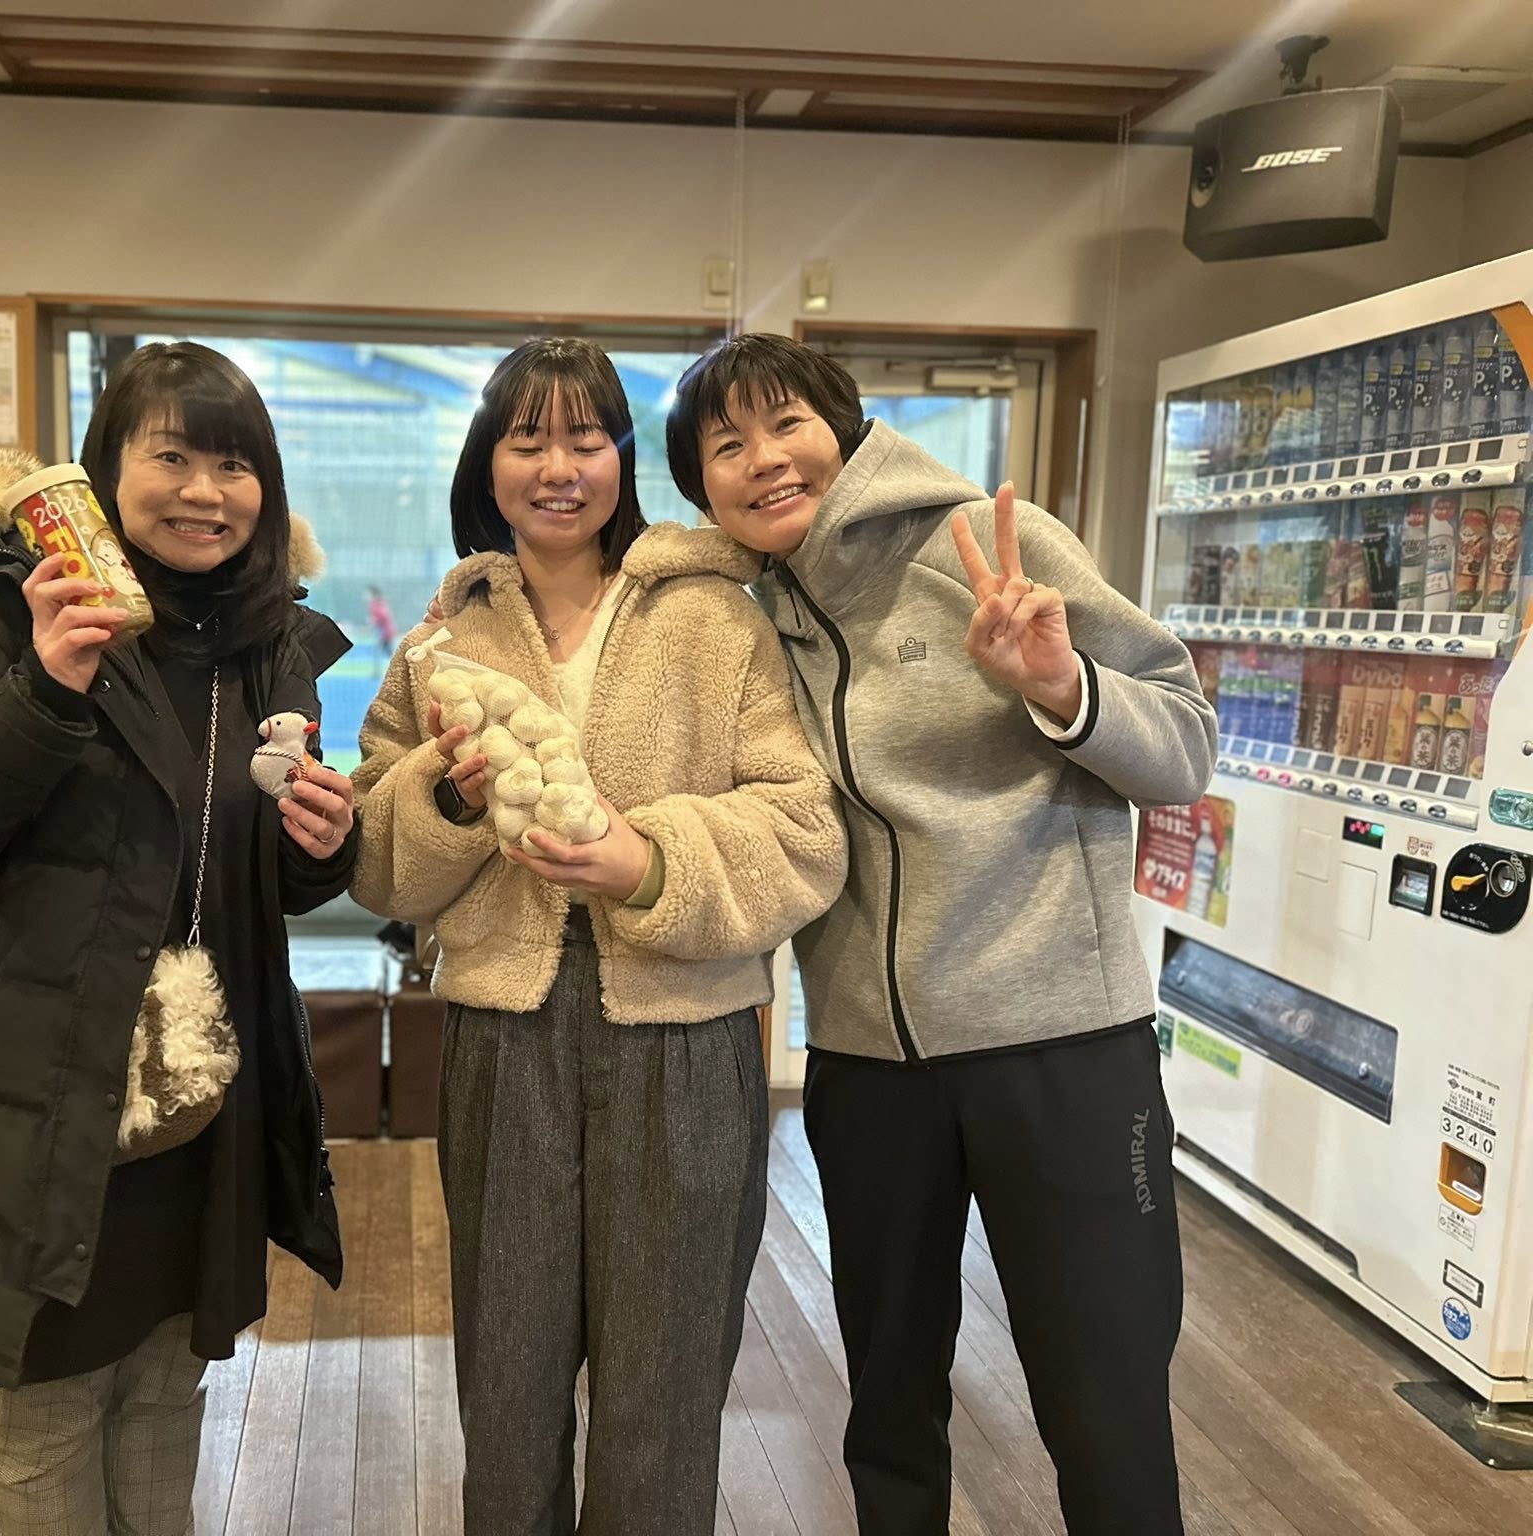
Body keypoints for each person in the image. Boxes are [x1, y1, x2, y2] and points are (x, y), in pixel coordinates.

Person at [664, 333, 1219, 1536]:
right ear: (700, 487)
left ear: (844, 428)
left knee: (1105, 1404)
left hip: (1060, 1047)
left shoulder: (989, 547)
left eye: (786, 423)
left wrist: (1058, 684)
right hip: (866, 1065)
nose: (764, 459)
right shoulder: (748, 618)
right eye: (725, 445)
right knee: (887, 1405)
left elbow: (1183, 750)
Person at [0, 341, 359, 1535]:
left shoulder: (270, 642)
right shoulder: (6, 614)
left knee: (167, 1381)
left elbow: (267, 876)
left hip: (201, 1078)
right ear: (105, 469)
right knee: (50, 1402)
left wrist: (322, 842)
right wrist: (43, 683)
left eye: (234, 465)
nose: (204, 493)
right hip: (48, 1088)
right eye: (170, 458)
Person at [351, 337, 846, 1536]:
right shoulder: (446, 637)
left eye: (585, 438)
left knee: (664, 1385)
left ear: (622, 459)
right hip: (501, 1032)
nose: (558, 467)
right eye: (526, 440)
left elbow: (803, 826)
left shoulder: (712, 617)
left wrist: (647, 860)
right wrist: (448, 797)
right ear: (488, 462)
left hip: (686, 1035)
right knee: (506, 1378)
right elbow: (376, 861)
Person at [366, 584, 398, 656]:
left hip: (385, 631)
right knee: (387, 651)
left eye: (368, 594)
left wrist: (373, 620)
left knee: (388, 651)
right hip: (383, 632)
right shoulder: (376, 603)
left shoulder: (378, 603)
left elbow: (384, 616)